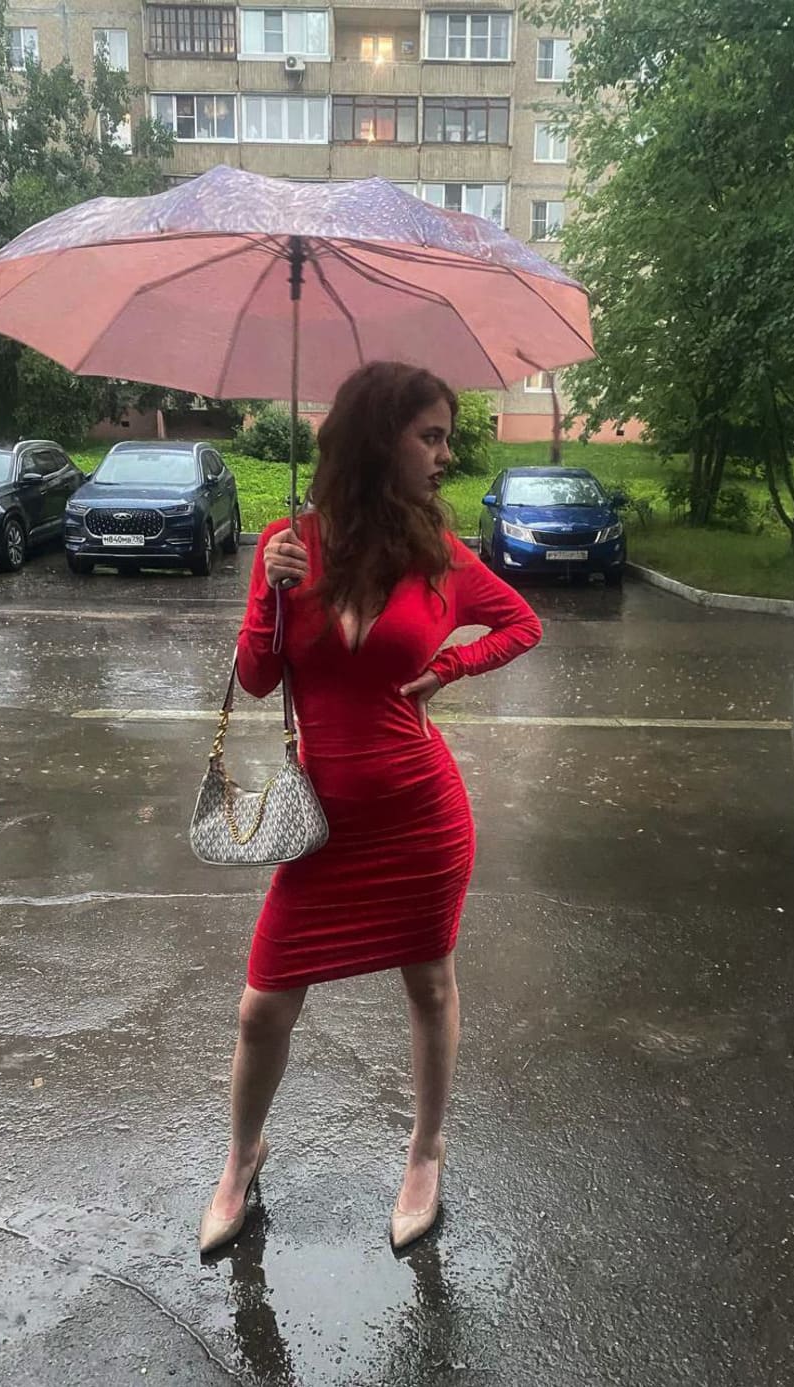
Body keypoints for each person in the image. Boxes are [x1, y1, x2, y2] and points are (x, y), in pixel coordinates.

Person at [200, 361, 542, 1256]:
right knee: (262, 1007)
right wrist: (271, 595)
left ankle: (426, 1151)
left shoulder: (440, 556)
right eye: (430, 436)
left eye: (445, 438)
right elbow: (257, 677)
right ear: (378, 438)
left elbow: (522, 624)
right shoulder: (288, 544)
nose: (444, 454)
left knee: (429, 985)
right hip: (323, 828)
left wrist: (450, 667)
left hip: (422, 818)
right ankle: (242, 1156)